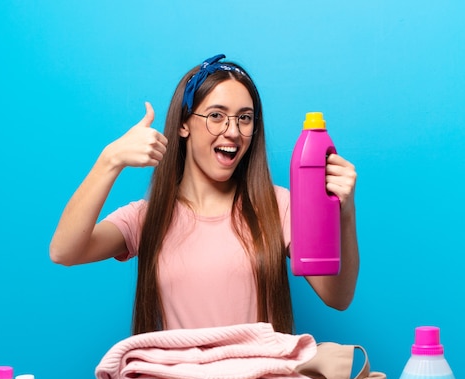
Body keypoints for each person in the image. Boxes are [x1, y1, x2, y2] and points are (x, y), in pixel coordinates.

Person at [50, 54, 359, 336]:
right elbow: (64, 251)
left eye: (245, 118)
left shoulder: (278, 206)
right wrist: (110, 160)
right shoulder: (148, 217)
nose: (233, 131)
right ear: (184, 123)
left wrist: (343, 212)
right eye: (216, 116)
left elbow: (338, 297)